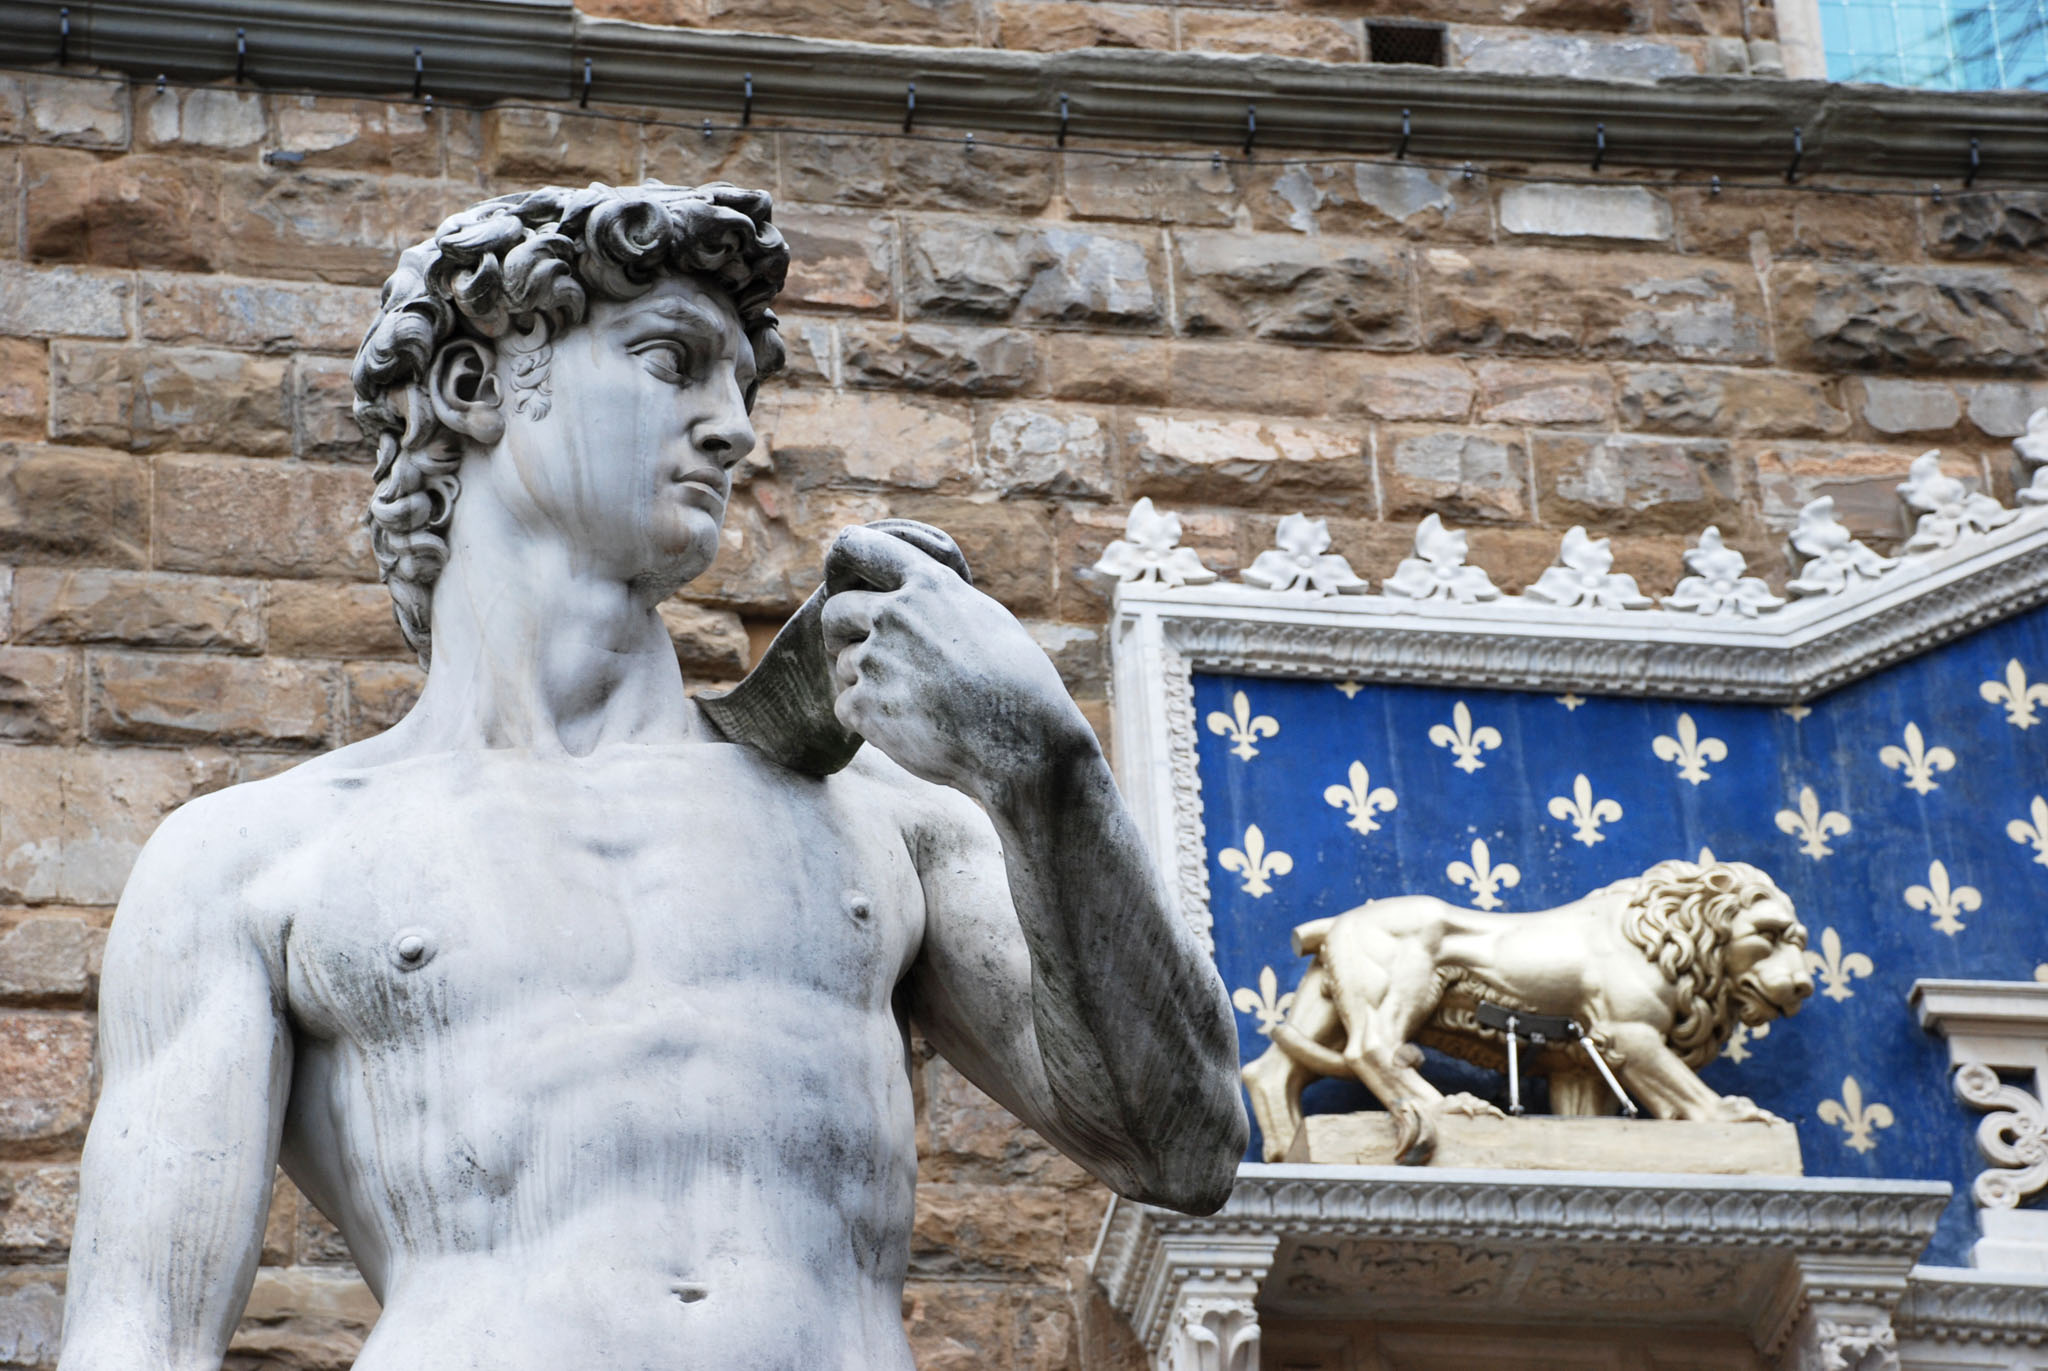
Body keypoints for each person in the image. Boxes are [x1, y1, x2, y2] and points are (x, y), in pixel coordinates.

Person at [56, 181, 1247, 1370]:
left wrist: (1043, 766)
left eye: (741, 386)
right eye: (671, 362)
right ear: (475, 387)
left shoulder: (882, 822)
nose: (732, 430)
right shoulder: (255, 862)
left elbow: (1182, 1152)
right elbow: (138, 1333)